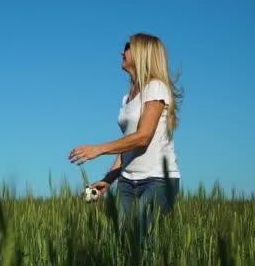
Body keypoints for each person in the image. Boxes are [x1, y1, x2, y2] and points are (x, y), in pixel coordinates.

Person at [68, 33, 182, 234]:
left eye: (128, 46)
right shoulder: (127, 98)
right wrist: (109, 179)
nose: (122, 51)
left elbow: (143, 136)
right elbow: (128, 146)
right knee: (123, 245)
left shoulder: (155, 87)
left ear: (142, 53)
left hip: (158, 181)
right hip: (127, 182)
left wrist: (99, 150)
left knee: (139, 239)